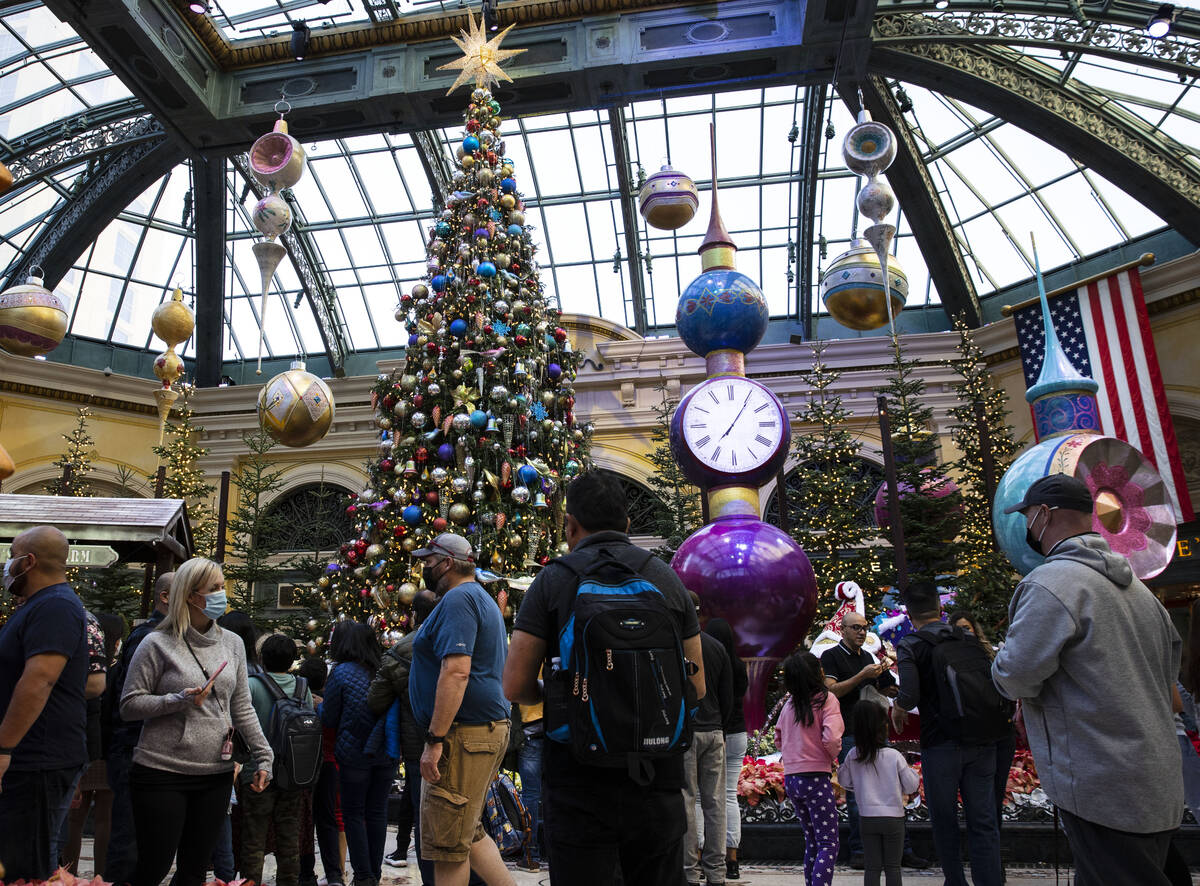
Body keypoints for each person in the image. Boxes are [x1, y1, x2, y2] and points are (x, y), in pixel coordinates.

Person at [503, 471, 706, 886]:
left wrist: (565, 694)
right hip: (656, 776)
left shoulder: (553, 580)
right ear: (628, 525)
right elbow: (696, 686)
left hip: (579, 777)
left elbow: (514, 685)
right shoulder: (666, 579)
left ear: (570, 525)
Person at [993, 474, 1182, 886]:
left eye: (1027, 516)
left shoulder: (1051, 583)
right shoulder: (1140, 590)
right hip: (1157, 778)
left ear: (1045, 514)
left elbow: (1015, 675)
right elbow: (1169, 672)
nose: (1026, 527)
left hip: (1101, 782)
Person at [119, 557, 274, 886]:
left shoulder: (232, 643)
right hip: (161, 771)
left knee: (195, 870)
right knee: (154, 866)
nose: (223, 595)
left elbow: (242, 705)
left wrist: (264, 755)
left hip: (215, 774)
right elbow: (129, 704)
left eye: (223, 587)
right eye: (215, 589)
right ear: (191, 596)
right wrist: (178, 700)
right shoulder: (156, 643)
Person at [409, 533, 514, 886]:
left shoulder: (459, 599)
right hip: (480, 731)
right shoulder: (477, 597)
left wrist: (435, 739)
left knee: (447, 842)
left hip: (463, 734)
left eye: (428, 561)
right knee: (467, 832)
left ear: (447, 563)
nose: (424, 567)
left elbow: (456, 670)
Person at [893, 583, 1002, 886]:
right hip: (983, 737)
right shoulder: (966, 638)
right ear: (940, 609)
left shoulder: (911, 644)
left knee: (944, 821)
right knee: (983, 821)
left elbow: (910, 695)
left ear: (910, 615)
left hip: (940, 743)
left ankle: (955, 880)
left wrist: (899, 708)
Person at [0, 526, 89, 880]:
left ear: (29, 561)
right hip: (30, 757)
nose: (8, 565)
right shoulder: (38, 605)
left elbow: (40, 680)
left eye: (11, 557)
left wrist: (4, 747)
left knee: (25, 866)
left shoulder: (55, 606)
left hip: (37, 758)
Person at [820, 611, 903, 870]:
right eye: (855, 627)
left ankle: (899, 848)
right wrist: (862, 676)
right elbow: (831, 691)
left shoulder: (868, 657)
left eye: (864, 627)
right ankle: (858, 849)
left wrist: (887, 683)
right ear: (842, 630)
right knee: (856, 793)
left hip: (875, 732)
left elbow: (885, 687)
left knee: (890, 789)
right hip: (849, 732)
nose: (861, 632)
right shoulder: (831, 656)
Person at [104, 571, 173, 884]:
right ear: (165, 597)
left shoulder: (171, 634)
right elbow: (131, 700)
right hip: (135, 748)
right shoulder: (149, 637)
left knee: (153, 840)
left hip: (157, 751)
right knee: (130, 838)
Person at [368, 588, 438, 883]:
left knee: (424, 816)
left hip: (416, 745)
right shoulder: (453, 640)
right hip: (459, 739)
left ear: (412, 616)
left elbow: (375, 701)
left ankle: (430, 878)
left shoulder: (400, 651)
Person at [320, 620, 392, 886]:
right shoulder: (384, 669)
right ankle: (373, 871)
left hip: (353, 756)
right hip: (385, 752)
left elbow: (329, 718)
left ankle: (363, 875)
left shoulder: (340, 673)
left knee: (353, 813)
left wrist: (317, 707)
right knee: (377, 812)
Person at [241, 633, 313, 886]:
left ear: (262, 658)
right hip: (293, 773)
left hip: (255, 770)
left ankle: (250, 881)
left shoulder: (251, 685)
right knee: (289, 835)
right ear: (293, 660)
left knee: (253, 837)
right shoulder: (303, 687)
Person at [948, 607, 1016, 870]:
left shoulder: (991, 656)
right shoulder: (949, 657)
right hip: (975, 737)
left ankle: (993, 861)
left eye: (968, 628)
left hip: (1001, 734)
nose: (965, 633)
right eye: (960, 629)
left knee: (995, 797)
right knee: (982, 802)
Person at [64, 610, 126, 874]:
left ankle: (67, 872)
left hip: (83, 746)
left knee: (74, 817)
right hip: (110, 750)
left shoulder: (84, 667)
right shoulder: (120, 671)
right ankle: (101, 874)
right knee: (105, 818)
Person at [775, 651, 843, 886]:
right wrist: (833, 757)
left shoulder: (789, 704)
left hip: (792, 779)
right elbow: (832, 738)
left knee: (812, 840)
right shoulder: (826, 700)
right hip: (816, 778)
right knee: (829, 842)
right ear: (819, 673)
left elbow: (778, 738)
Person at [839, 700, 921, 886]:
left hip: (867, 818)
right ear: (883, 726)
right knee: (893, 867)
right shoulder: (894, 756)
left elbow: (844, 781)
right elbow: (911, 785)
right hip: (893, 819)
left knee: (872, 867)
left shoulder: (853, 755)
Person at [683, 610, 732, 886]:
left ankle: (689, 870)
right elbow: (728, 694)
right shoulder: (716, 646)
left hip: (688, 732)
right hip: (714, 729)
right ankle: (717, 871)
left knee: (687, 801)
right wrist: (720, 725)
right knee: (715, 803)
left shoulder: (678, 644)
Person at [703, 618, 748, 882]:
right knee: (729, 796)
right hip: (738, 732)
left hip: (714, 728)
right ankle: (732, 859)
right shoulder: (738, 665)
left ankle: (699, 856)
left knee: (700, 797)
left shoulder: (706, 658)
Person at [299, 654, 344, 886]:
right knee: (328, 820)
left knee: (306, 821)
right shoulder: (329, 701)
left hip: (303, 766)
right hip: (328, 762)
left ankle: (306, 874)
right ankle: (335, 874)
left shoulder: (298, 699)